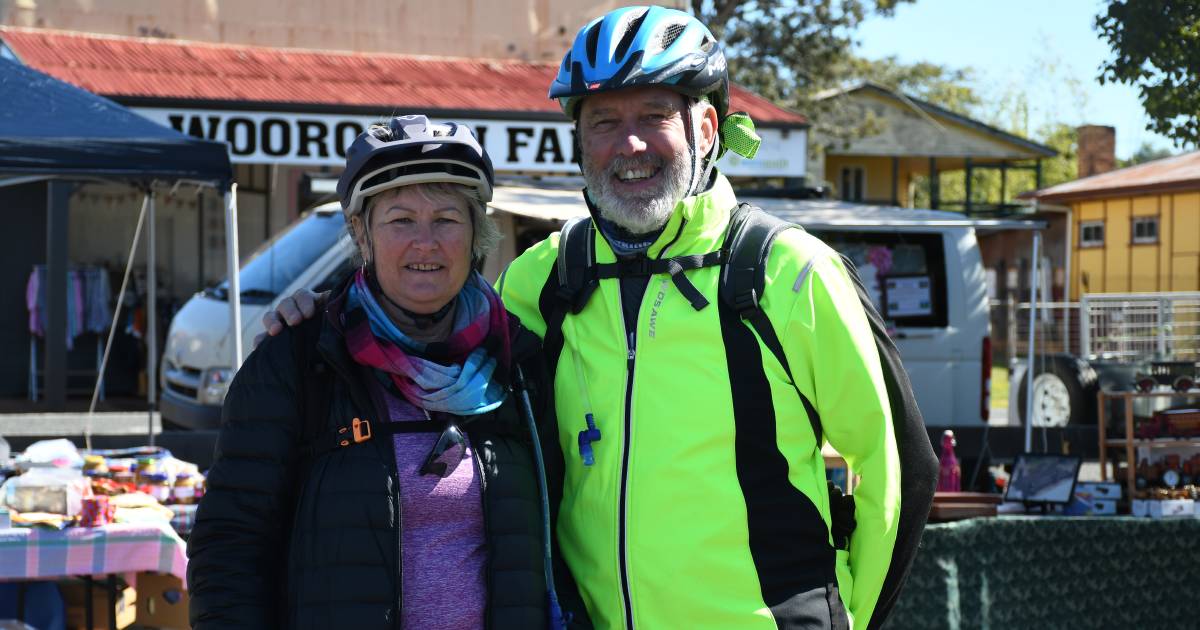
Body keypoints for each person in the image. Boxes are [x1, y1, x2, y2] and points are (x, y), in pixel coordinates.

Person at [265, 7, 937, 629]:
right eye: (604, 122)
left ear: (706, 129)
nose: (631, 144)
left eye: (655, 115)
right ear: (578, 142)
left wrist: (846, 617)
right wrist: (324, 317)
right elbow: (430, 339)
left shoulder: (789, 273)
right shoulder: (547, 277)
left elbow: (896, 469)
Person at [188, 115, 588, 630]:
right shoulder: (299, 360)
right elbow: (229, 547)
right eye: (400, 220)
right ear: (362, 232)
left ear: (476, 234)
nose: (426, 242)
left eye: (447, 218)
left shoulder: (520, 362)